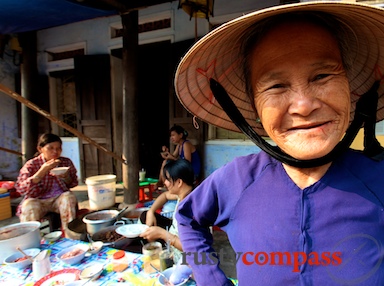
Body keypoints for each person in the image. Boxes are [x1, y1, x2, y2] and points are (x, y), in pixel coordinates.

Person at [173, 2, 384, 285]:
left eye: (322, 76)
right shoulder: (237, 180)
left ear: (351, 90)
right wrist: (210, 278)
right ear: (254, 110)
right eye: (276, 86)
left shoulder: (378, 179)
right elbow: (187, 219)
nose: (304, 106)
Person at [15, 133, 78, 237]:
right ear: (40, 149)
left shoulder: (65, 162)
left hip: (58, 199)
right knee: (28, 206)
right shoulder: (31, 164)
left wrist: (66, 177)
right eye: (51, 148)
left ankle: (70, 237)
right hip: (38, 200)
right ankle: (31, 241)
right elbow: (21, 189)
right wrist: (41, 171)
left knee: (69, 197)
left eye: (58, 148)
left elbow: (74, 183)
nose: (55, 151)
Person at [140, 159, 195, 264]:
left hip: (186, 262)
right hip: (172, 243)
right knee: (145, 215)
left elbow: (194, 249)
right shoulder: (183, 194)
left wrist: (162, 234)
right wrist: (151, 211)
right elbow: (165, 195)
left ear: (179, 182)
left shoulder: (192, 208)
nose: (165, 183)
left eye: (168, 180)